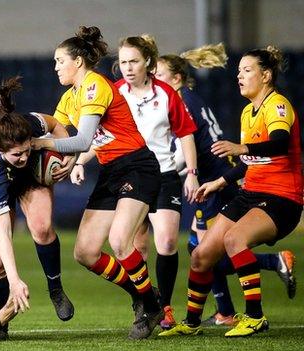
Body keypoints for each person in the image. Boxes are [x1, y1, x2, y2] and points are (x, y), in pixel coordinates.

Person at [159, 46, 302, 338]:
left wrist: (241, 148)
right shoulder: (249, 111)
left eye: (247, 70)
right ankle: (192, 323)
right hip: (251, 193)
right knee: (201, 255)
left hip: (282, 198)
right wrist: (219, 182)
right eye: (238, 71)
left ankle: (254, 317)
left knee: (234, 239)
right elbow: (250, 162)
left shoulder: (278, 105)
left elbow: (279, 144)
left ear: (266, 75)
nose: (240, 76)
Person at [31, 26, 163, 339]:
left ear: (78, 61)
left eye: (60, 60)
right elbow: (60, 134)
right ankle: (141, 294)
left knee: (120, 241)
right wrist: (67, 161)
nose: (56, 67)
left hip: (137, 166)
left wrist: (43, 147)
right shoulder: (68, 98)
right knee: (85, 252)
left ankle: (150, 305)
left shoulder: (94, 84)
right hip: (110, 171)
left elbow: (84, 138)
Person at [0, 76, 75, 339]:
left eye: (26, 151)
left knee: (41, 229)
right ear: (0, 148)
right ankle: (0, 326)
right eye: (16, 154)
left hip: (31, 179)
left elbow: (56, 124)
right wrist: (15, 279)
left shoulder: (25, 126)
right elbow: (6, 234)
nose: (23, 157)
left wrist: (69, 157)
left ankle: (55, 288)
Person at [113, 34, 199, 329]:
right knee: (136, 247)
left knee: (166, 241)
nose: (128, 67)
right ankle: (145, 304)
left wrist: (191, 172)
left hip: (164, 175)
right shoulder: (114, 93)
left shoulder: (166, 93)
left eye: (134, 61)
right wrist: (79, 162)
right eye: (123, 62)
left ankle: (165, 307)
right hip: (132, 177)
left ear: (147, 62)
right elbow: (97, 134)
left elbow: (186, 133)